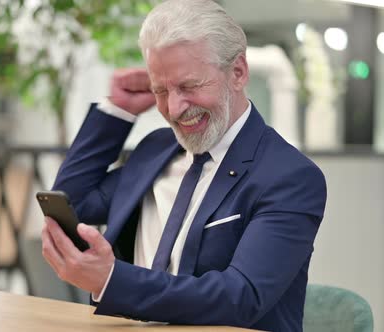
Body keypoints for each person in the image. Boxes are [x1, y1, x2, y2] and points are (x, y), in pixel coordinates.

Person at [41, 0, 327, 330]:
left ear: (238, 72)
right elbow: (72, 205)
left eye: (189, 86)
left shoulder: (290, 177)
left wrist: (112, 279)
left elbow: (241, 296)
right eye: (160, 90)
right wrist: (118, 111)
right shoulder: (156, 149)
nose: (174, 109)